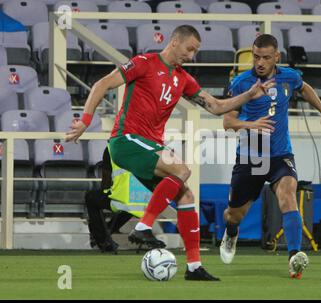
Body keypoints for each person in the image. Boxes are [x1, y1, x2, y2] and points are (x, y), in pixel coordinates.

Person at [65, 25, 275, 281]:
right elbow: (102, 84)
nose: (192, 56)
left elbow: (216, 107)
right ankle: (143, 228)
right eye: (190, 49)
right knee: (182, 169)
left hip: (150, 146)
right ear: (175, 42)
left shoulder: (183, 79)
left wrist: (249, 95)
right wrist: (85, 121)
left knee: (186, 195)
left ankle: (194, 267)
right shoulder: (144, 63)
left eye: (195, 51)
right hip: (126, 139)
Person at [219, 34, 321, 279]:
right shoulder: (241, 83)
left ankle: (294, 257)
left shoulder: (289, 77)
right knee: (234, 213)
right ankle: (231, 231)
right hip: (251, 156)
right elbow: (227, 122)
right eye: (256, 57)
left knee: (288, 194)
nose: (260, 62)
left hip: (281, 154)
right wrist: (251, 126)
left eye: (266, 58)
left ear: (276, 57)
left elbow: (305, 89)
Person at [85, 147, 133, 254]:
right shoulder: (143, 147)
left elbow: (106, 180)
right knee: (131, 207)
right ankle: (104, 234)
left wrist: (104, 191)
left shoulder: (111, 149)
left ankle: (101, 238)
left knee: (90, 197)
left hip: (118, 198)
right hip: (138, 200)